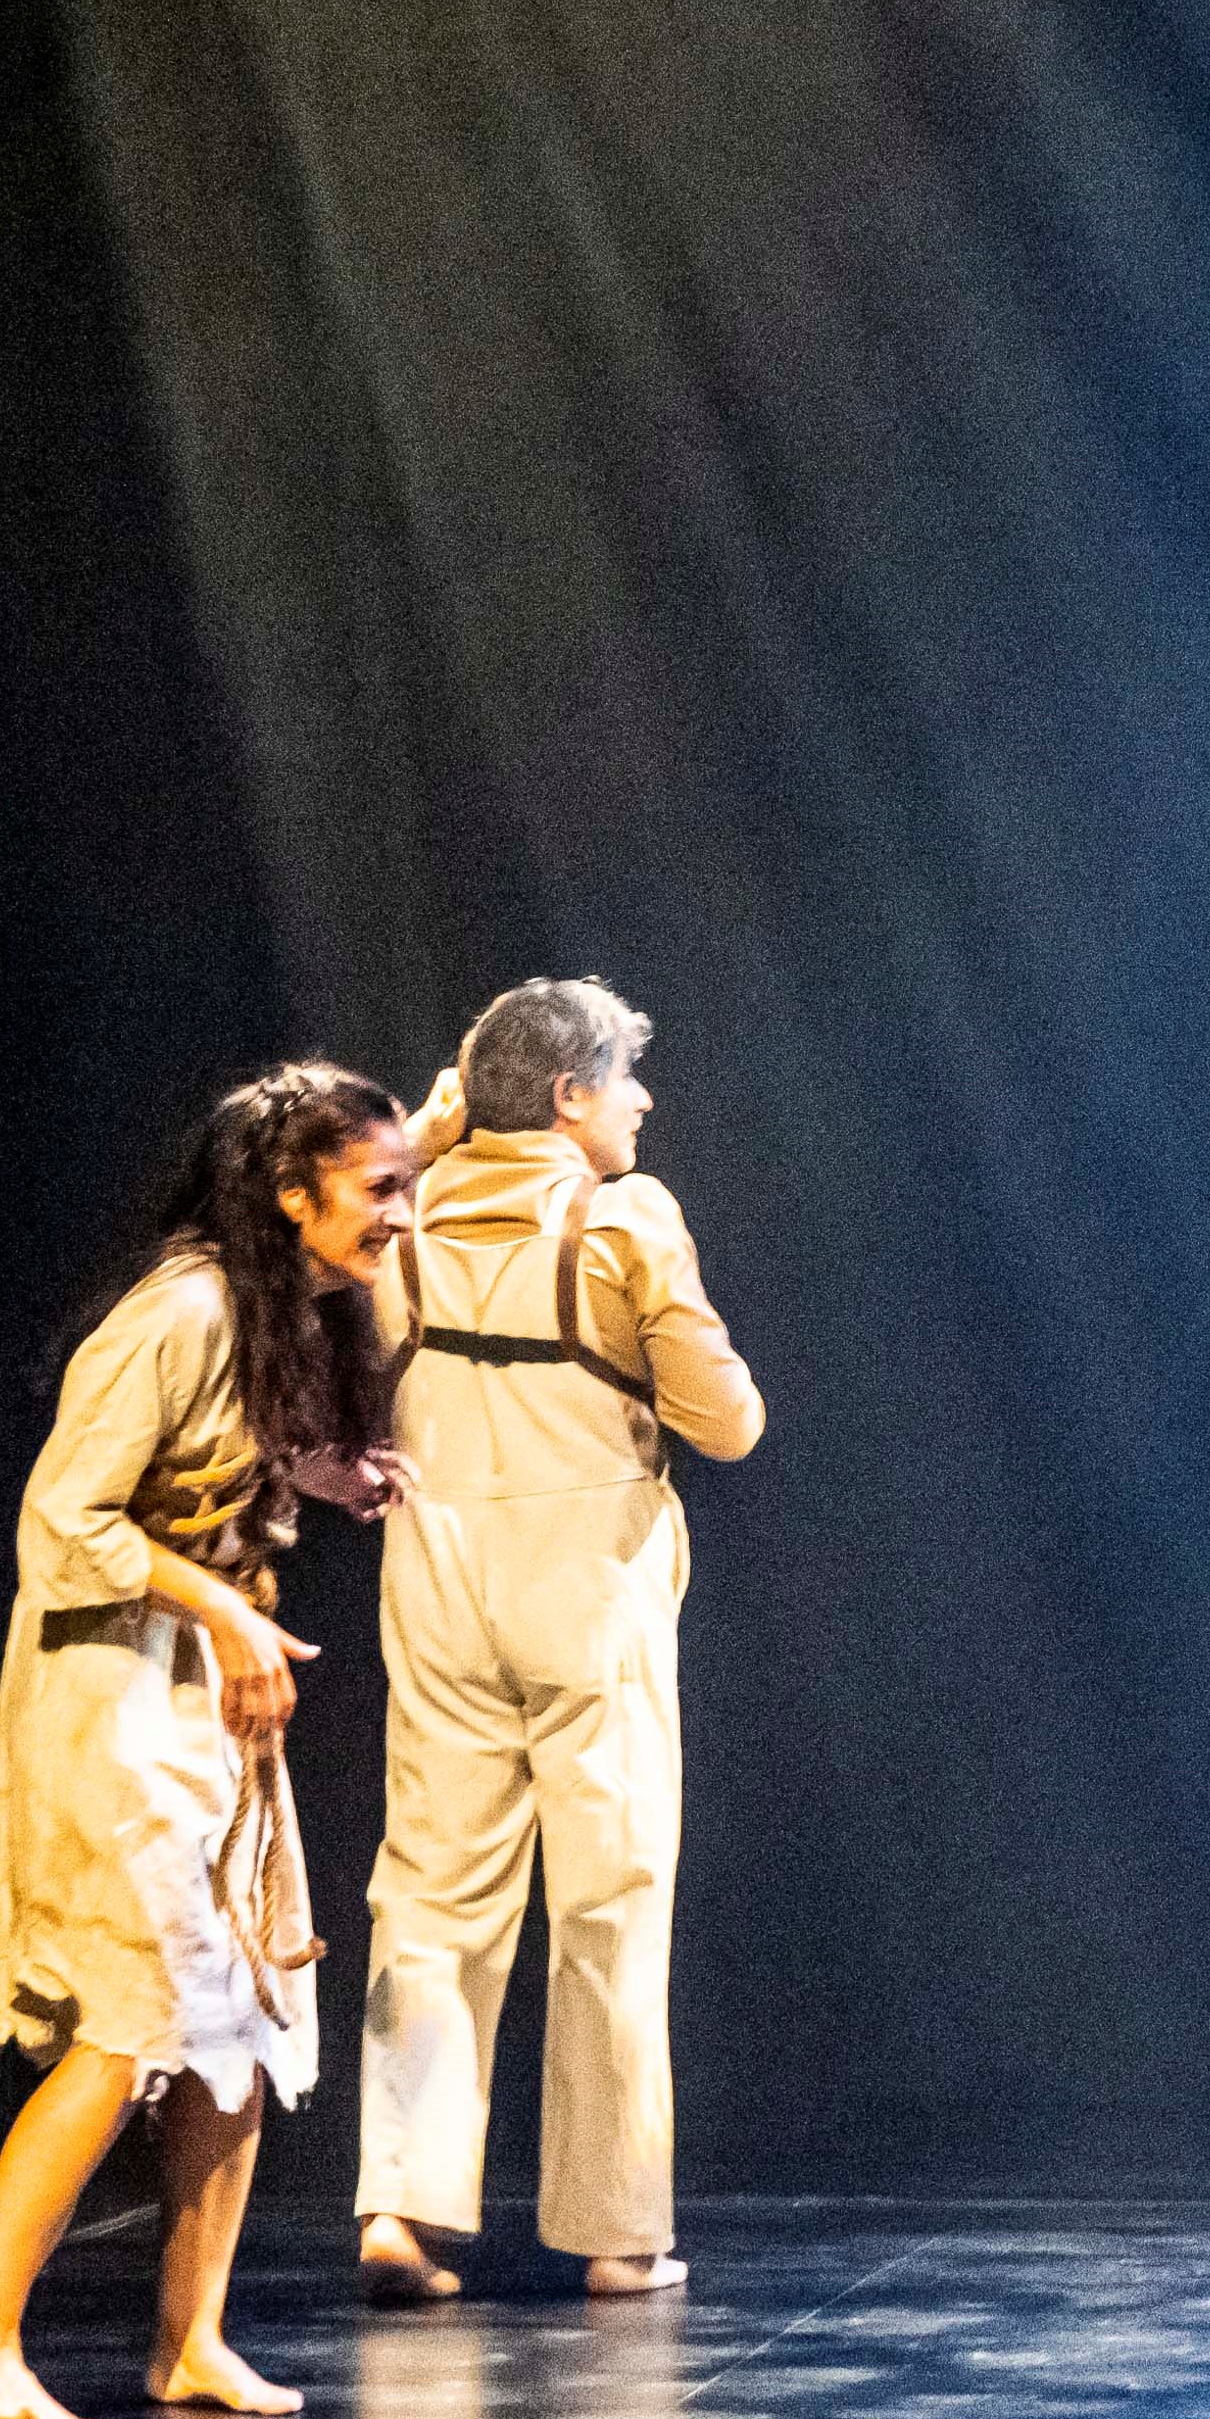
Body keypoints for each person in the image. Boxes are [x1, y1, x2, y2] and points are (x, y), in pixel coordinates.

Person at [0, 1061, 416, 2419]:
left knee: (239, 2022)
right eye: (379, 1191)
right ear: (290, 1189)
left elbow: (201, 1472)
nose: (398, 1219)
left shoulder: (271, 1315)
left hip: (201, 1689)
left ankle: (188, 2340)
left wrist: (318, 1474)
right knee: (134, 2018)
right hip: (109, 1690)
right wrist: (217, 1606)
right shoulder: (183, 1309)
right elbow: (63, 1521)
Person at [351, 980, 768, 2312]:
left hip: (436, 1578)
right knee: (607, 1903)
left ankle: (403, 2210)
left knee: (427, 1895)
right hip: (584, 1589)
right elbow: (729, 1422)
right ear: (572, 1099)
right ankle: (614, 2230)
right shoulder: (619, 1217)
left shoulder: (396, 1223)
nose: (643, 1102)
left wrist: (426, 1136)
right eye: (624, 1079)